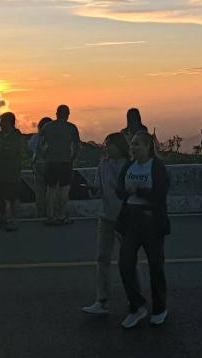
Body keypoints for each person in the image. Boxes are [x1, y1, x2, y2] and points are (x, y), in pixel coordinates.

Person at [116, 130, 171, 329]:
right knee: (125, 264)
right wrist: (126, 191)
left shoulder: (157, 167)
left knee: (156, 266)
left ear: (148, 146)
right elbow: (119, 189)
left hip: (151, 221)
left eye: (137, 144)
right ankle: (137, 305)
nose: (133, 147)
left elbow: (160, 194)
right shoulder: (129, 166)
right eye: (132, 144)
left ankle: (159, 308)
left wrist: (137, 191)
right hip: (131, 220)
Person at [82, 132, 131, 316]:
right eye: (107, 144)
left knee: (128, 259)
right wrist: (92, 190)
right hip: (106, 216)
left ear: (120, 147)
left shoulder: (129, 165)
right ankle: (101, 300)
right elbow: (99, 190)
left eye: (111, 145)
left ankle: (134, 296)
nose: (108, 148)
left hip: (125, 217)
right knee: (102, 258)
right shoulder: (102, 165)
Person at [41, 105, 81, 225]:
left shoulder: (47, 126)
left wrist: (45, 157)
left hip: (50, 162)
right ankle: (62, 216)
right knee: (64, 189)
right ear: (67, 115)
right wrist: (72, 159)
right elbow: (77, 146)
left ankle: (50, 216)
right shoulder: (71, 127)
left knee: (50, 189)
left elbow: (41, 145)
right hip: (65, 162)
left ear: (56, 114)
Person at [0, 112, 25, 231]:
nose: (0, 124)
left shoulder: (17, 136)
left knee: (13, 197)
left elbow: (13, 152)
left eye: (2, 122)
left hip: (12, 172)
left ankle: (13, 220)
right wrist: (2, 150)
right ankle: (3, 217)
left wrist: (1, 150)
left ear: (9, 123)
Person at [29, 117, 52, 219]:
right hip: (50, 164)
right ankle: (50, 212)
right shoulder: (52, 138)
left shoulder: (35, 137)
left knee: (39, 190)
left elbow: (31, 147)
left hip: (38, 164)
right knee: (51, 190)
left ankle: (41, 212)